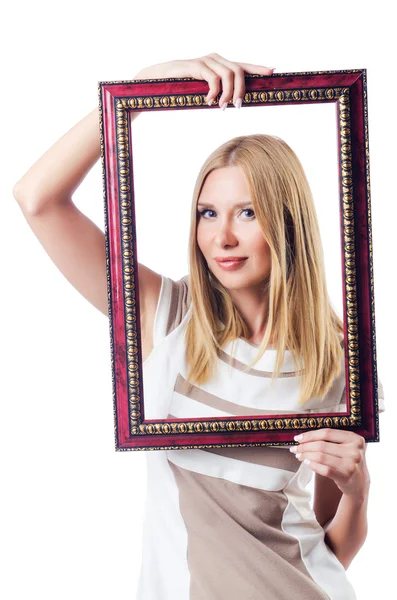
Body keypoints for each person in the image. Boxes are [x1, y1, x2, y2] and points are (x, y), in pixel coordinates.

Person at [13, 53, 384, 600]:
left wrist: (357, 491)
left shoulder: (336, 360)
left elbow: (330, 551)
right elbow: (37, 199)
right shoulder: (167, 315)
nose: (222, 238)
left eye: (247, 212)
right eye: (208, 213)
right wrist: (136, 94)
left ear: (287, 223)